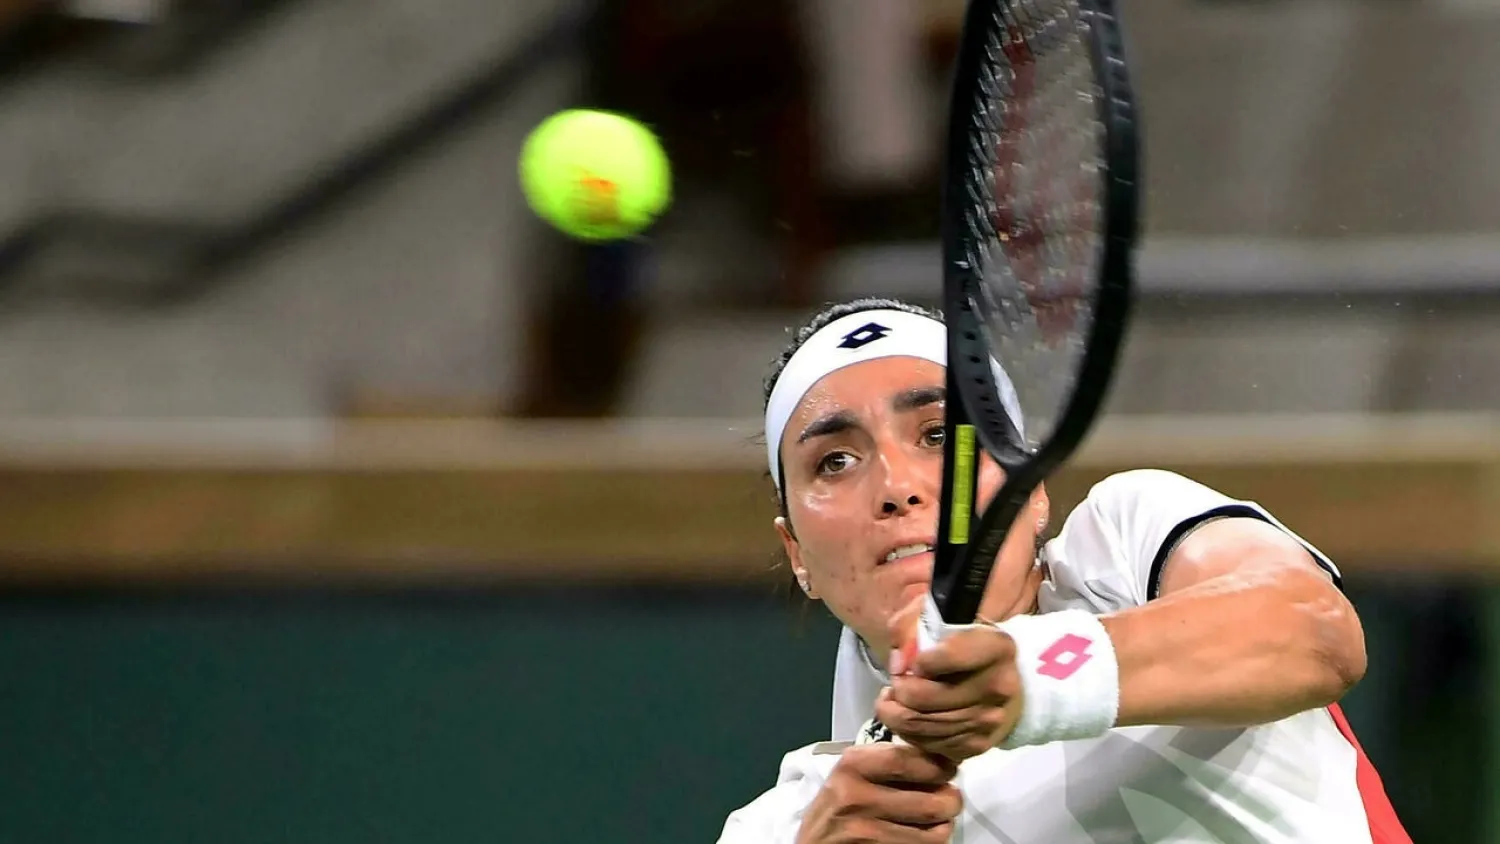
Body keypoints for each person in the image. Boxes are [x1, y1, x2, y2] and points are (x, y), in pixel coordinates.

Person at [716, 297, 1411, 843]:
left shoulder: (1126, 550)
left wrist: (1033, 675)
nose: (897, 485)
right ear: (797, 553)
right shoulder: (784, 829)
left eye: (938, 435)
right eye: (835, 461)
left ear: (1033, 487)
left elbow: (1313, 629)